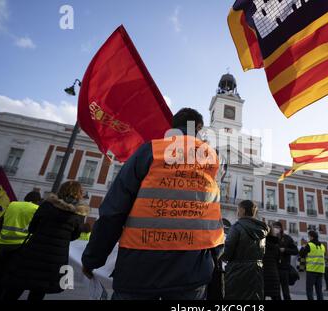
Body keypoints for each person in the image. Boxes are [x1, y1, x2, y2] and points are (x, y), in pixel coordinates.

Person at [82, 108, 225, 300]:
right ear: (198, 127)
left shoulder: (150, 150)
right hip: (191, 274)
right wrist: (212, 260)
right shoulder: (213, 160)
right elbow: (214, 219)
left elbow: (113, 211)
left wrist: (93, 258)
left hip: (138, 269)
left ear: (173, 127)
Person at [1, 181, 88, 300]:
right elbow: (74, 236)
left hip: (33, 251)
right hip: (54, 257)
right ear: (79, 194)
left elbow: (32, 227)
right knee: (39, 290)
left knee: (17, 285)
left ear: (61, 190)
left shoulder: (47, 205)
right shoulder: (79, 214)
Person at [0, 191, 41, 300]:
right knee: (11, 278)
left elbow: (1, 223)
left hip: (0, 244)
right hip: (19, 247)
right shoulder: (36, 209)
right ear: (38, 200)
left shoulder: (12, 204)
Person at [222, 200, 268, 300]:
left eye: (237, 210)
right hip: (256, 272)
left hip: (237, 273)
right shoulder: (262, 229)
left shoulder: (237, 227)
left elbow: (226, 254)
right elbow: (263, 252)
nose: (237, 212)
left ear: (242, 210)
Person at [272, 221, 298, 300]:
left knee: (285, 291)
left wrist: (285, 250)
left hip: (284, 269)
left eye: (277, 227)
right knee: (275, 292)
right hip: (274, 268)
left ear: (281, 228)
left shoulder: (287, 238)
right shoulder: (271, 238)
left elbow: (295, 251)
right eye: (274, 228)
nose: (275, 229)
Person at [299, 230, 325, 300]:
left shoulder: (309, 245)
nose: (308, 238)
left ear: (311, 237)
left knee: (309, 290)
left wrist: (303, 246)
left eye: (309, 236)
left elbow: (301, 254)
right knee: (319, 290)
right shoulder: (322, 246)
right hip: (320, 270)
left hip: (311, 270)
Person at [263, 225, 281, 300]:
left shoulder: (261, 244)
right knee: (276, 296)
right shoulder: (276, 245)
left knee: (261, 295)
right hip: (274, 274)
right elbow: (278, 259)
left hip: (263, 274)